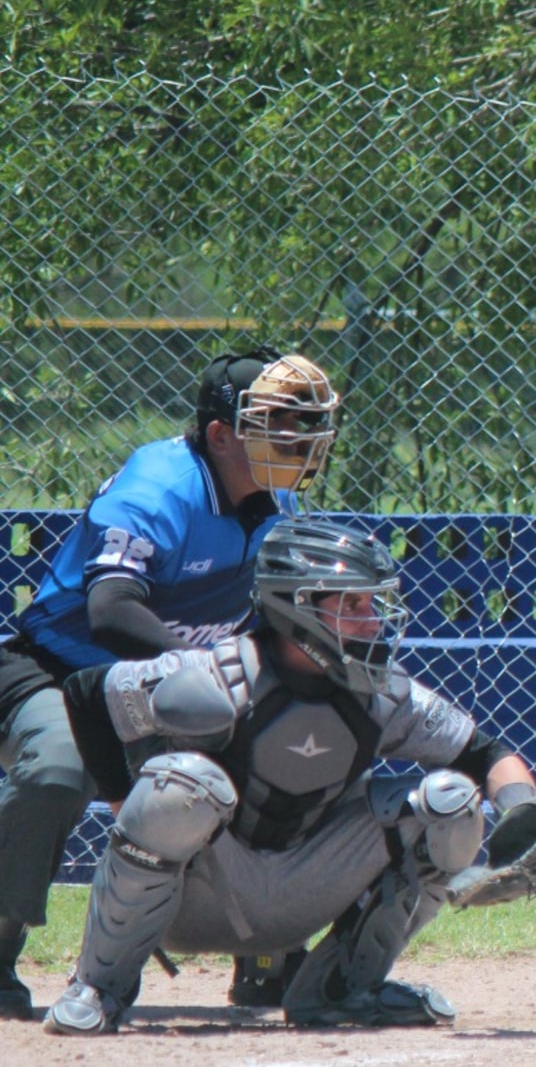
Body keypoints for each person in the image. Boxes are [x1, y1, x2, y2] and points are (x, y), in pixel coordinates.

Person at [43, 516, 536, 1034]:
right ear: (295, 607)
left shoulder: (383, 693)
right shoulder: (217, 674)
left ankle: (343, 989)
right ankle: (98, 986)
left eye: (373, 603)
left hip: (306, 891)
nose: (372, 620)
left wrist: (522, 810)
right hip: (192, 900)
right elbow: (88, 695)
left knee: (453, 800)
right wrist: (122, 800)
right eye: (353, 604)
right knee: (181, 784)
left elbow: (483, 753)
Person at [0, 349, 339, 1019]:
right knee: (59, 771)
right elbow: (112, 612)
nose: (301, 442)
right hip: (62, 666)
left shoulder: (278, 499)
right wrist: (204, 676)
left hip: (173, 679)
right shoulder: (158, 487)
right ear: (220, 435)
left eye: (307, 426)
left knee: (285, 744)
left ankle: (268, 953)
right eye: (281, 425)